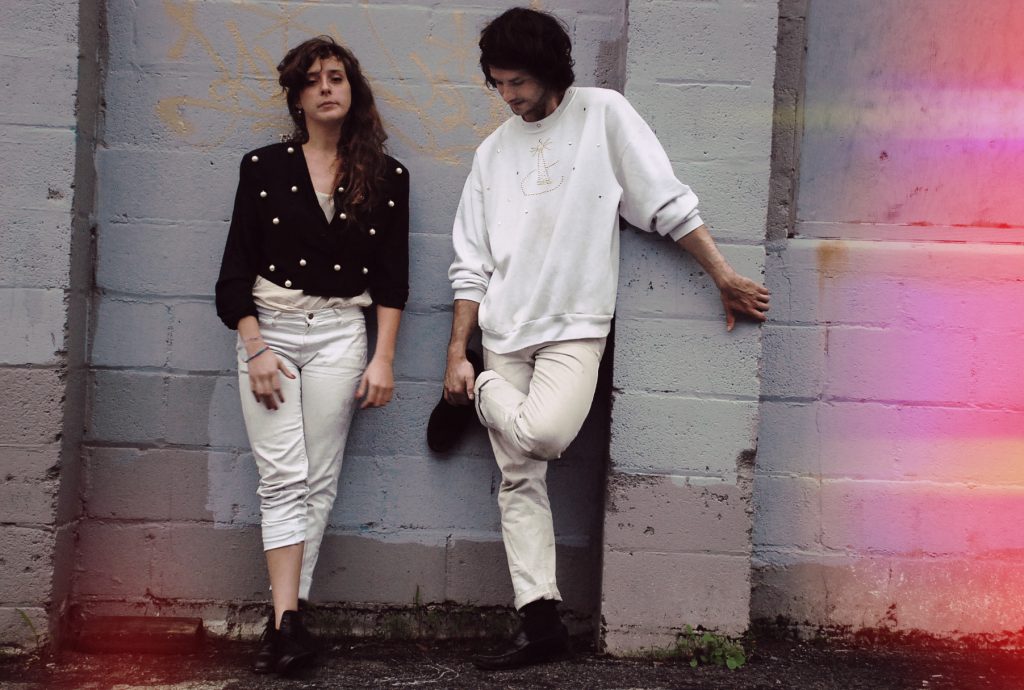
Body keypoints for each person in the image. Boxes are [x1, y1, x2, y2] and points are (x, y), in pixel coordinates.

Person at [426, 7, 770, 671]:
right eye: (498, 84)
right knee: (517, 480)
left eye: (519, 82)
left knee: (544, 436)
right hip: (502, 327)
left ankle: (476, 393)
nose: (509, 96)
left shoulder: (603, 115)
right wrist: (454, 349)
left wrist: (722, 275)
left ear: (550, 70)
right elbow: (470, 263)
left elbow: (664, 201)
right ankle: (539, 623)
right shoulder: (492, 153)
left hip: (574, 325)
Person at [215, 35, 409, 675]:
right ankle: (287, 623)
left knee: (319, 480)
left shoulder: (387, 177)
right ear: (297, 98)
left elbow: (392, 280)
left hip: (340, 335)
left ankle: (286, 622)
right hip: (270, 330)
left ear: (353, 90)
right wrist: (255, 348)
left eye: (337, 77)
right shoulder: (263, 168)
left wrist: (383, 358)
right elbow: (234, 271)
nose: (326, 88)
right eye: (313, 80)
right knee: (282, 476)